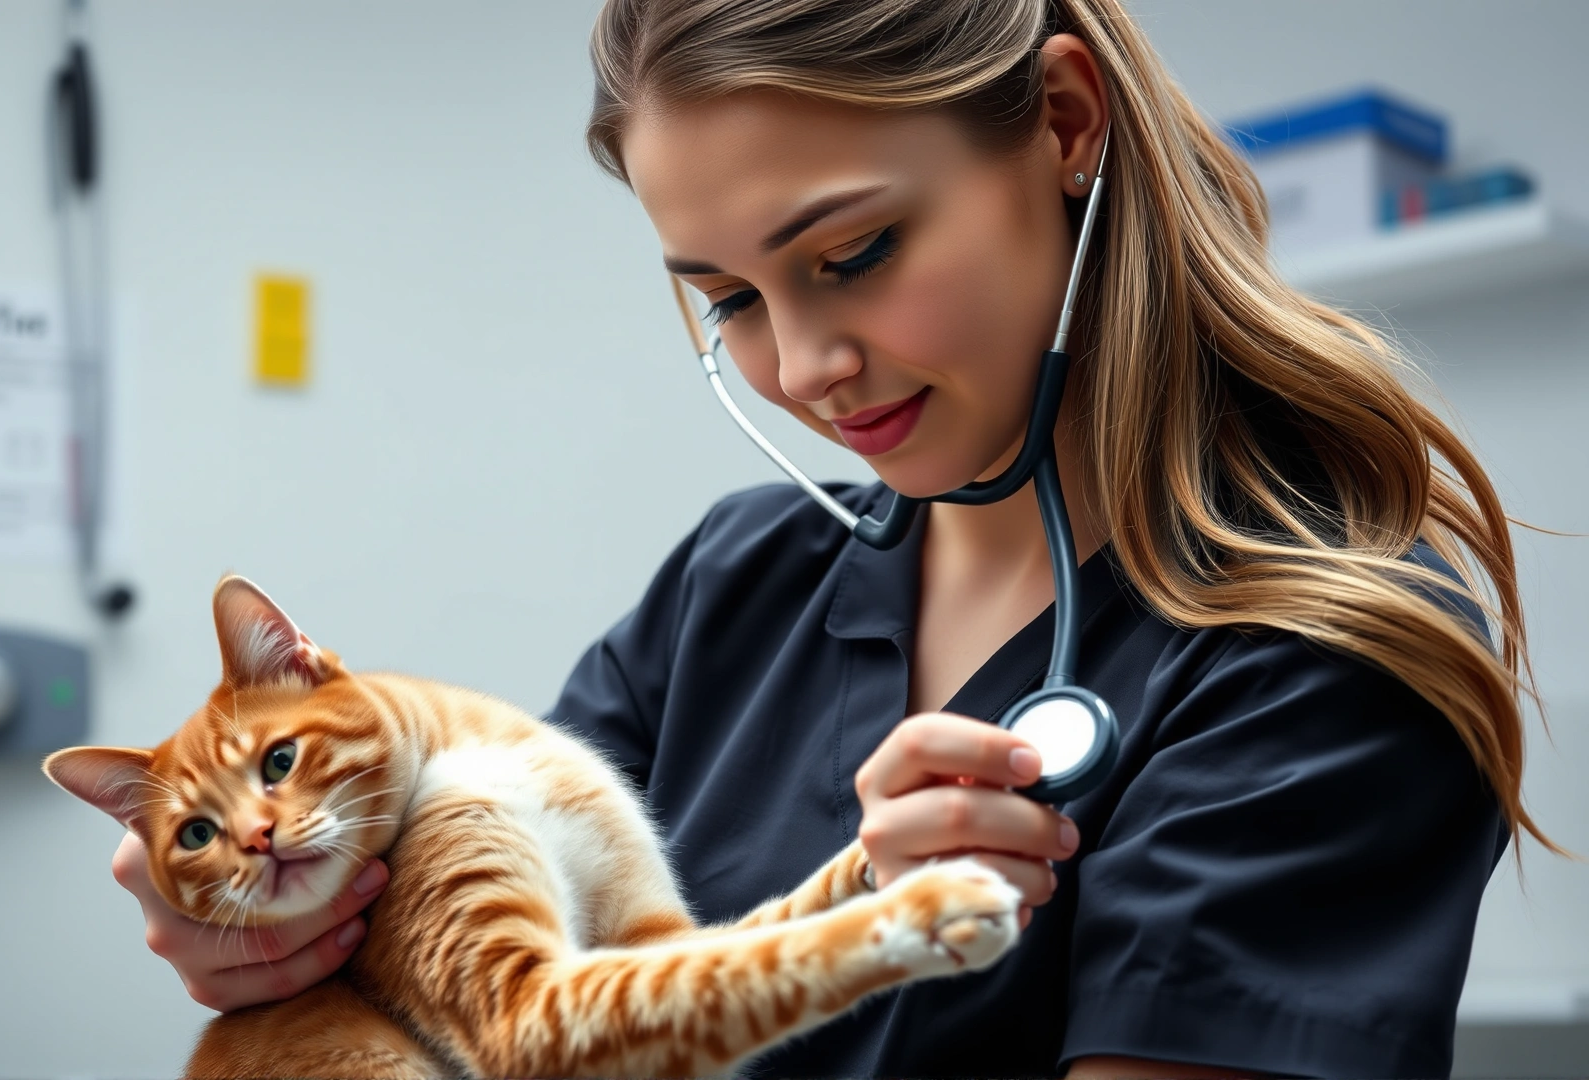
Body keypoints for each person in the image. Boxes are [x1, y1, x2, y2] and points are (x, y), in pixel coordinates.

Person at [111, 0, 1557, 1075]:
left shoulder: (1312, 648)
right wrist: (263, 924)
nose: (803, 368)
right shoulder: (735, 586)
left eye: (852, 255)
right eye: (731, 299)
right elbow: (437, 980)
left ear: (1065, 123)